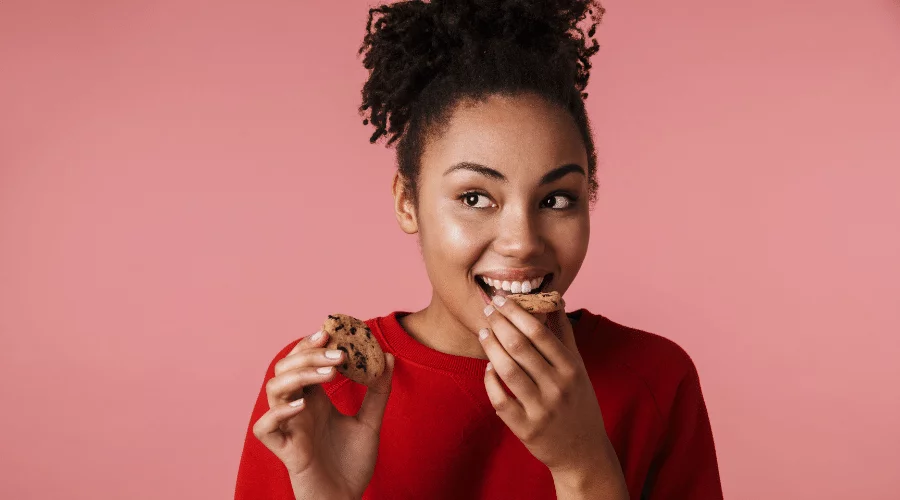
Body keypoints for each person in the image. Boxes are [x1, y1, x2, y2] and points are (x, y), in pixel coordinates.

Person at [235, 1, 723, 498]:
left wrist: (584, 464)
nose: (522, 241)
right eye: (475, 198)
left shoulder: (655, 380)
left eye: (556, 199)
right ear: (408, 203)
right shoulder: (321, 393)